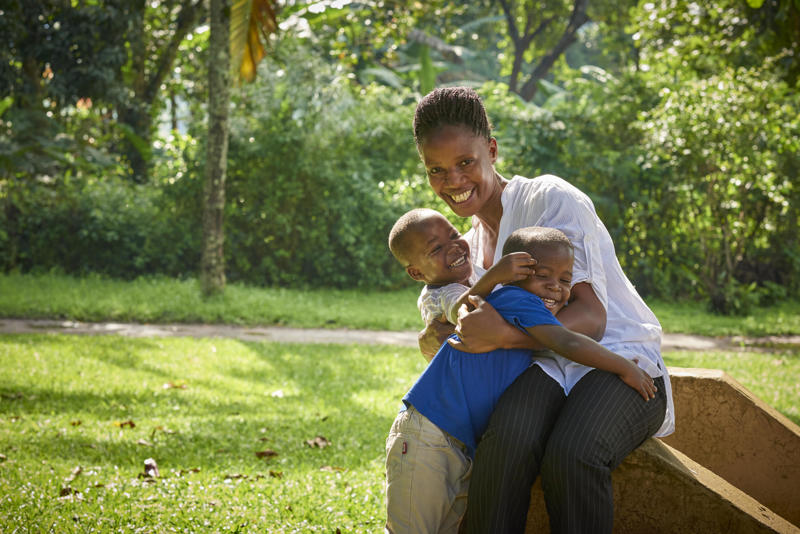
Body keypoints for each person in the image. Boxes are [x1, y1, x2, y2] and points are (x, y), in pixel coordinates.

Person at [412, 86, 674, 534]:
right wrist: (435, 338)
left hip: (618, 360)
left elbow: (592, 319)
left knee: (573, 454)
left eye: (465, 163)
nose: (452, 181)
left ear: (491, 150)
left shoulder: (548, 199)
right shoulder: (470, 249)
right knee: (502, 445)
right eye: (436, 170)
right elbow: (462, 323)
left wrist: (502, 336)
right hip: (546, 370)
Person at [384, 215, 658, 534]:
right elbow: (567, 341)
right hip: (428, 432)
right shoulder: (518, 301)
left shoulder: (513, 305)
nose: (555, 287)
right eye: (543, 276)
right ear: (517, 276)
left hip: (455, 438)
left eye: (566, 279)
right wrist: (624, 366)